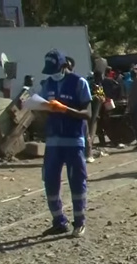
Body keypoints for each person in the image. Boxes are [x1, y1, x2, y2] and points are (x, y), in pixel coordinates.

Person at [38, 49, 92, 237]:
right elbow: (43, 108)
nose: (52, 74)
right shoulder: (48, 84)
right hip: (53, 141)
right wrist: (38, 108)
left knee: (77, 180)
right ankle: (59, 221)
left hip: (73, 140)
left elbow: (87, 114)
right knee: (50, 180)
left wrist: (65, 109)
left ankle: (79, 221)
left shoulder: (79, 83)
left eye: (55, 69)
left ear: (63, 66)